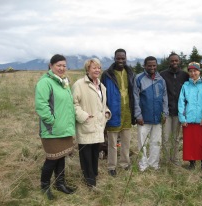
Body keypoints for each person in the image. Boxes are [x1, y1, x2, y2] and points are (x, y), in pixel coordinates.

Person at [35, 54, 76, 200]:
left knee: (61, 157)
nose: (62, 68)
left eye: (64, 65)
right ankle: (45, 186)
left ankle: (60, 184)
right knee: (51, 159)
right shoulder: (45, 82)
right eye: (59, 65)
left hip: (64, 128)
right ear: (51, 66)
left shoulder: (63, 82)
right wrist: (52, 121)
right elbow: (41, 106)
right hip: (52, 130)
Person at [72, 58, 111, 189]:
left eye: (99, 68)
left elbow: (102, 104)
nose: (97, 70)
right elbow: (73, 104)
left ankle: (93, 174)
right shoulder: (79, 84)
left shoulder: (102, 86)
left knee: (95, 152)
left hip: (98, 125)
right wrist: (83, 116)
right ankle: (89, 180)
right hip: (86, 124)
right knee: (86, 154)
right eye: (94, 68)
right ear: (87, 69)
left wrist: (107, 112)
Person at [101, 49, 135, 177]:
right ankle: (111, 166)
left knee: (126, 141)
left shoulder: (130, 73)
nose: (121, 61)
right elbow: (102, 95)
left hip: (127, 112)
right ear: (114, 58)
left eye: (123, 58)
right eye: (118, 58)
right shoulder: (107, 74)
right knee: (112, 142)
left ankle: (125, 163)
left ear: (126, 58)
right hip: (113, 112)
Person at [134, 56, 169, 172]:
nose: (152, 67)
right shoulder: (139, 78)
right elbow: (135, 98)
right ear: (145, 66)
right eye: (149, 65)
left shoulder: (161, 79)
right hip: (143, 118)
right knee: (142, 143)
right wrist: (138, 115)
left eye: (154, 65)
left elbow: (165, 98)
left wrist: (165, 113)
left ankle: (154, 164)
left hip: (158, 118)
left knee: (156, 142)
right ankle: (143, 165)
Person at [178, 62, 202, 170]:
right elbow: (181, 102)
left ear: (199, 71)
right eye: (190, 71)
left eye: (195, 71)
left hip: (201, 120)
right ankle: (191, 163)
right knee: (189, 142)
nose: (193, 73)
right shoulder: (185, 86)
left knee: (201, 142)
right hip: (188, 119)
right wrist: (182, 118)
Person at [160, 53, 189, 165]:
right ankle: (166, 159)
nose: (174, 63)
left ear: (179, 61)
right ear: (169, 61)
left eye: (176, 60)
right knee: (166, 138)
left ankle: (175, 158)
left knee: (176, 138)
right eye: (172, 61)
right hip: (166, 112)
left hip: (179, 112)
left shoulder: (184, 75)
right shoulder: (163, 75)